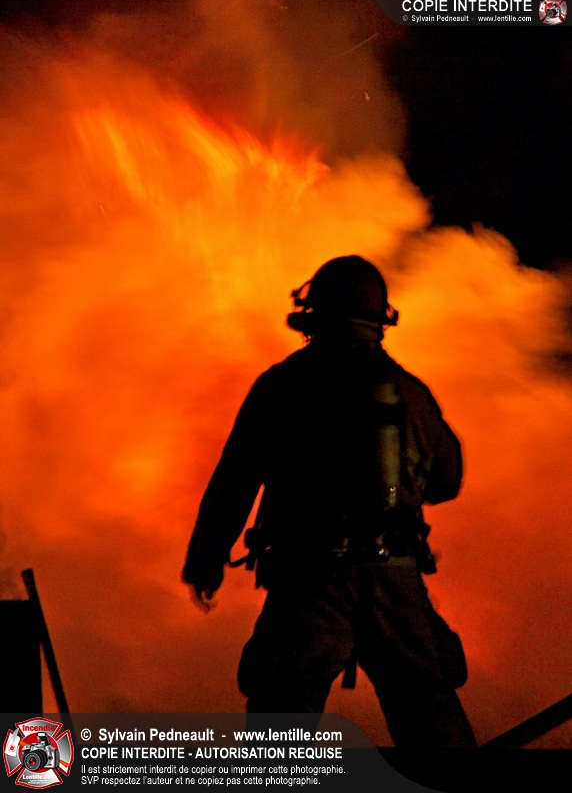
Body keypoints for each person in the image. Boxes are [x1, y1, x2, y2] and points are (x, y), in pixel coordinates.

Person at [182, 255, 476, 748]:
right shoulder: (411, 394)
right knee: (430, 721)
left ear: (313, 314)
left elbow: (235, 481)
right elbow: (447, 481)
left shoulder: (281, 386)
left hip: (309, 579)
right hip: (393, 582)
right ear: (381, 318)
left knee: (280, 728)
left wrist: (206, 560)